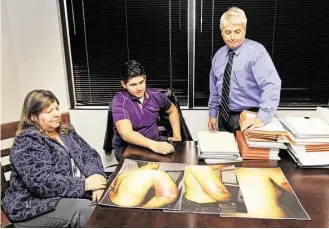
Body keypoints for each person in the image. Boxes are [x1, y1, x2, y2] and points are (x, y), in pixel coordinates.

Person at [2, 90, 107, 227]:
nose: (57, 114)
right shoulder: (27, 140)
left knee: (113, 198)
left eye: (57, 108)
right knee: (91, 213)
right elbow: (41, 182)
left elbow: (90, 154)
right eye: (49, 111)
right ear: (33, 117)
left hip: (70, 196)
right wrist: (85, 184)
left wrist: (96, 179)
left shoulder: (65, 131)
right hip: (33, 205)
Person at [208, 7, 281, 133]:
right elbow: (215, 88)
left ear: (244, 30)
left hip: (249, 116)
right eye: (228, 32)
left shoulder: (256, 52)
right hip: (224, 117)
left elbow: (272, 84)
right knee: (224, 152)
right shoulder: (218, 56)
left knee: (248, 153)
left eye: (237, 31)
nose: (232, 37)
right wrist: (213, 114)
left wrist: (262, 118)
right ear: (222, 33)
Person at [111, 60, 182, 160]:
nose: (139, 88)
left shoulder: (156, 95)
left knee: (177, 162)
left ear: (145, 79)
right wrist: (154, 145)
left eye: (141, 82)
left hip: (154, 141)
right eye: (133, 85)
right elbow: (126, 133)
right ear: (123, 84)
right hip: (128, 147)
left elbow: (172, 110)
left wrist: (177, 137)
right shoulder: (120, 101)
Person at [109, 162, 179, 208]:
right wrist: (144, 208)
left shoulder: (126, 173)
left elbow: (114, 190)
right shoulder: (157, 174)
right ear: (152, 163)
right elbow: (169, 197)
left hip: (111, 202)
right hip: (127, 209)